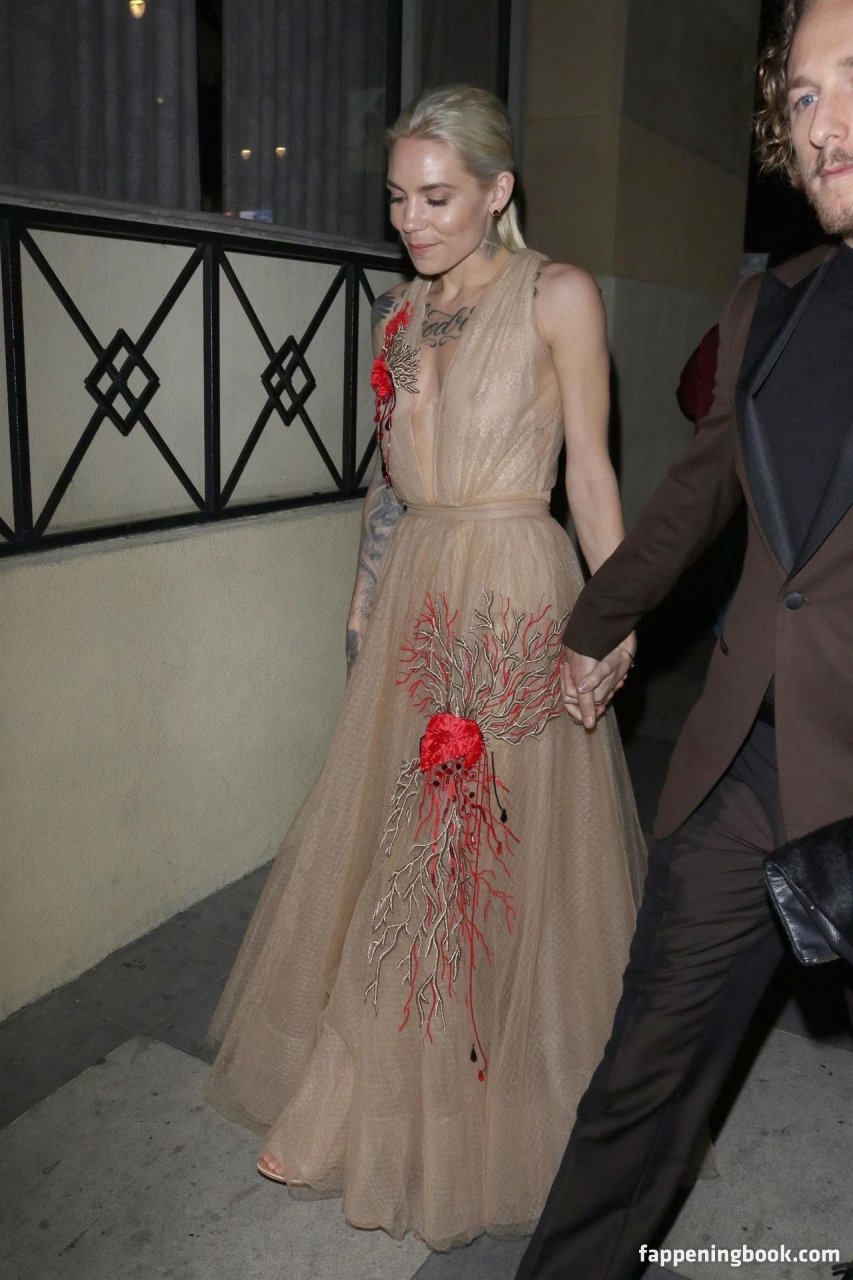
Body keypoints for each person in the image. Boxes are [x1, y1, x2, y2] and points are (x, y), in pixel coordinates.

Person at [205, 84, 646, 1250]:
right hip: (417, 600)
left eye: (437, 197)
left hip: (513, 594)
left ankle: (400, 1104)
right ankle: (390, 1091)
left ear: (499, 191)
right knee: (408, 841)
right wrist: (364, 594)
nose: (411, 219)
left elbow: (591, 470)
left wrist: (614, 615)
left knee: (466, 853)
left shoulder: (557, 294)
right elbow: (389, 475)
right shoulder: (399, 311)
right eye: (398, 198)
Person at [516, 1, 853, 1275]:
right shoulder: (772, 304)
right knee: (639, 1082)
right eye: (801, 95)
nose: (823, 123)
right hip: (748, 765)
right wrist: (592, 622)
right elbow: (692, 498)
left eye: (852, 80)